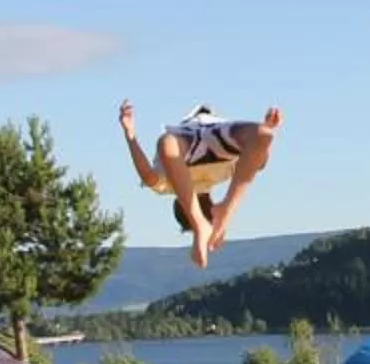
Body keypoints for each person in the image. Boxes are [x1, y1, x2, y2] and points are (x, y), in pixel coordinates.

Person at [120, 101, 281, 265]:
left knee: (262, 136)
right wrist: (130, 135)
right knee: (167, 143)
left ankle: (202, 221)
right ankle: (222, 211)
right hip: (206, 139)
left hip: (195, 143)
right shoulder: (170, 185)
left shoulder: (218, 175)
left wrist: (266, 135)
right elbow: (147, 175)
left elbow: (259, 159)